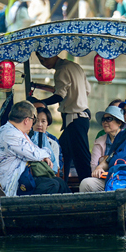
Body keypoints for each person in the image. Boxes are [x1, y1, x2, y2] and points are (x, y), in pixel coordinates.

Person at [34, 53, 93, 183]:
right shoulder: (75, 66)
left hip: (75, 119)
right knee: (64, 151)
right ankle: (63, 184)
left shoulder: (61, 70)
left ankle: (88, 189)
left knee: (81, 158)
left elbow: (60, 95)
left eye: (45, 58)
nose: (44, 62)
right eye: (40, 60)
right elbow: (86, 90)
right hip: (80, 118)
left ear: (53, 54)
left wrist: (41, 103)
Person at [0, 101, 68, 196]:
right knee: (52, 185)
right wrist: (46, 153)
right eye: (34, 119)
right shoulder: (11, 134)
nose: (33, 124)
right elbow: (35, 154)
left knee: (59, 182)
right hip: (12, 184)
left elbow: (33, 150)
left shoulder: (15, 131)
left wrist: (42, 155)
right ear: (26, 120)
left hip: (22, 178)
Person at [87, 105, 126, 179]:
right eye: (103, 119)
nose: (105, 122)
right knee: (86, 183)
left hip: (123, 177)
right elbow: (94, 166)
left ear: (119, 122)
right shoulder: (99, 141)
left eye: (108, 119)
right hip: (103, 178)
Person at [30, 107, 61, 177]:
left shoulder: (53, 143)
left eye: (43, 121)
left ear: (48, 124)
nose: (39, 124)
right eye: (37, 121)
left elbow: (55, 167)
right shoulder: (26, 139)